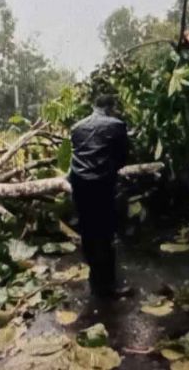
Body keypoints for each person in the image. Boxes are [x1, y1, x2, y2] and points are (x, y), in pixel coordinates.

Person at [69, 94, 131, 298]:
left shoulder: (76, 127)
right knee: (105, 234)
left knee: (88, 233)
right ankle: (109, 287)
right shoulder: (116, 125)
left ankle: (95, 280)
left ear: (94, 106)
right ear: (111, 107)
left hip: (79, 184)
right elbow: (123, 157)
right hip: (101, 184)